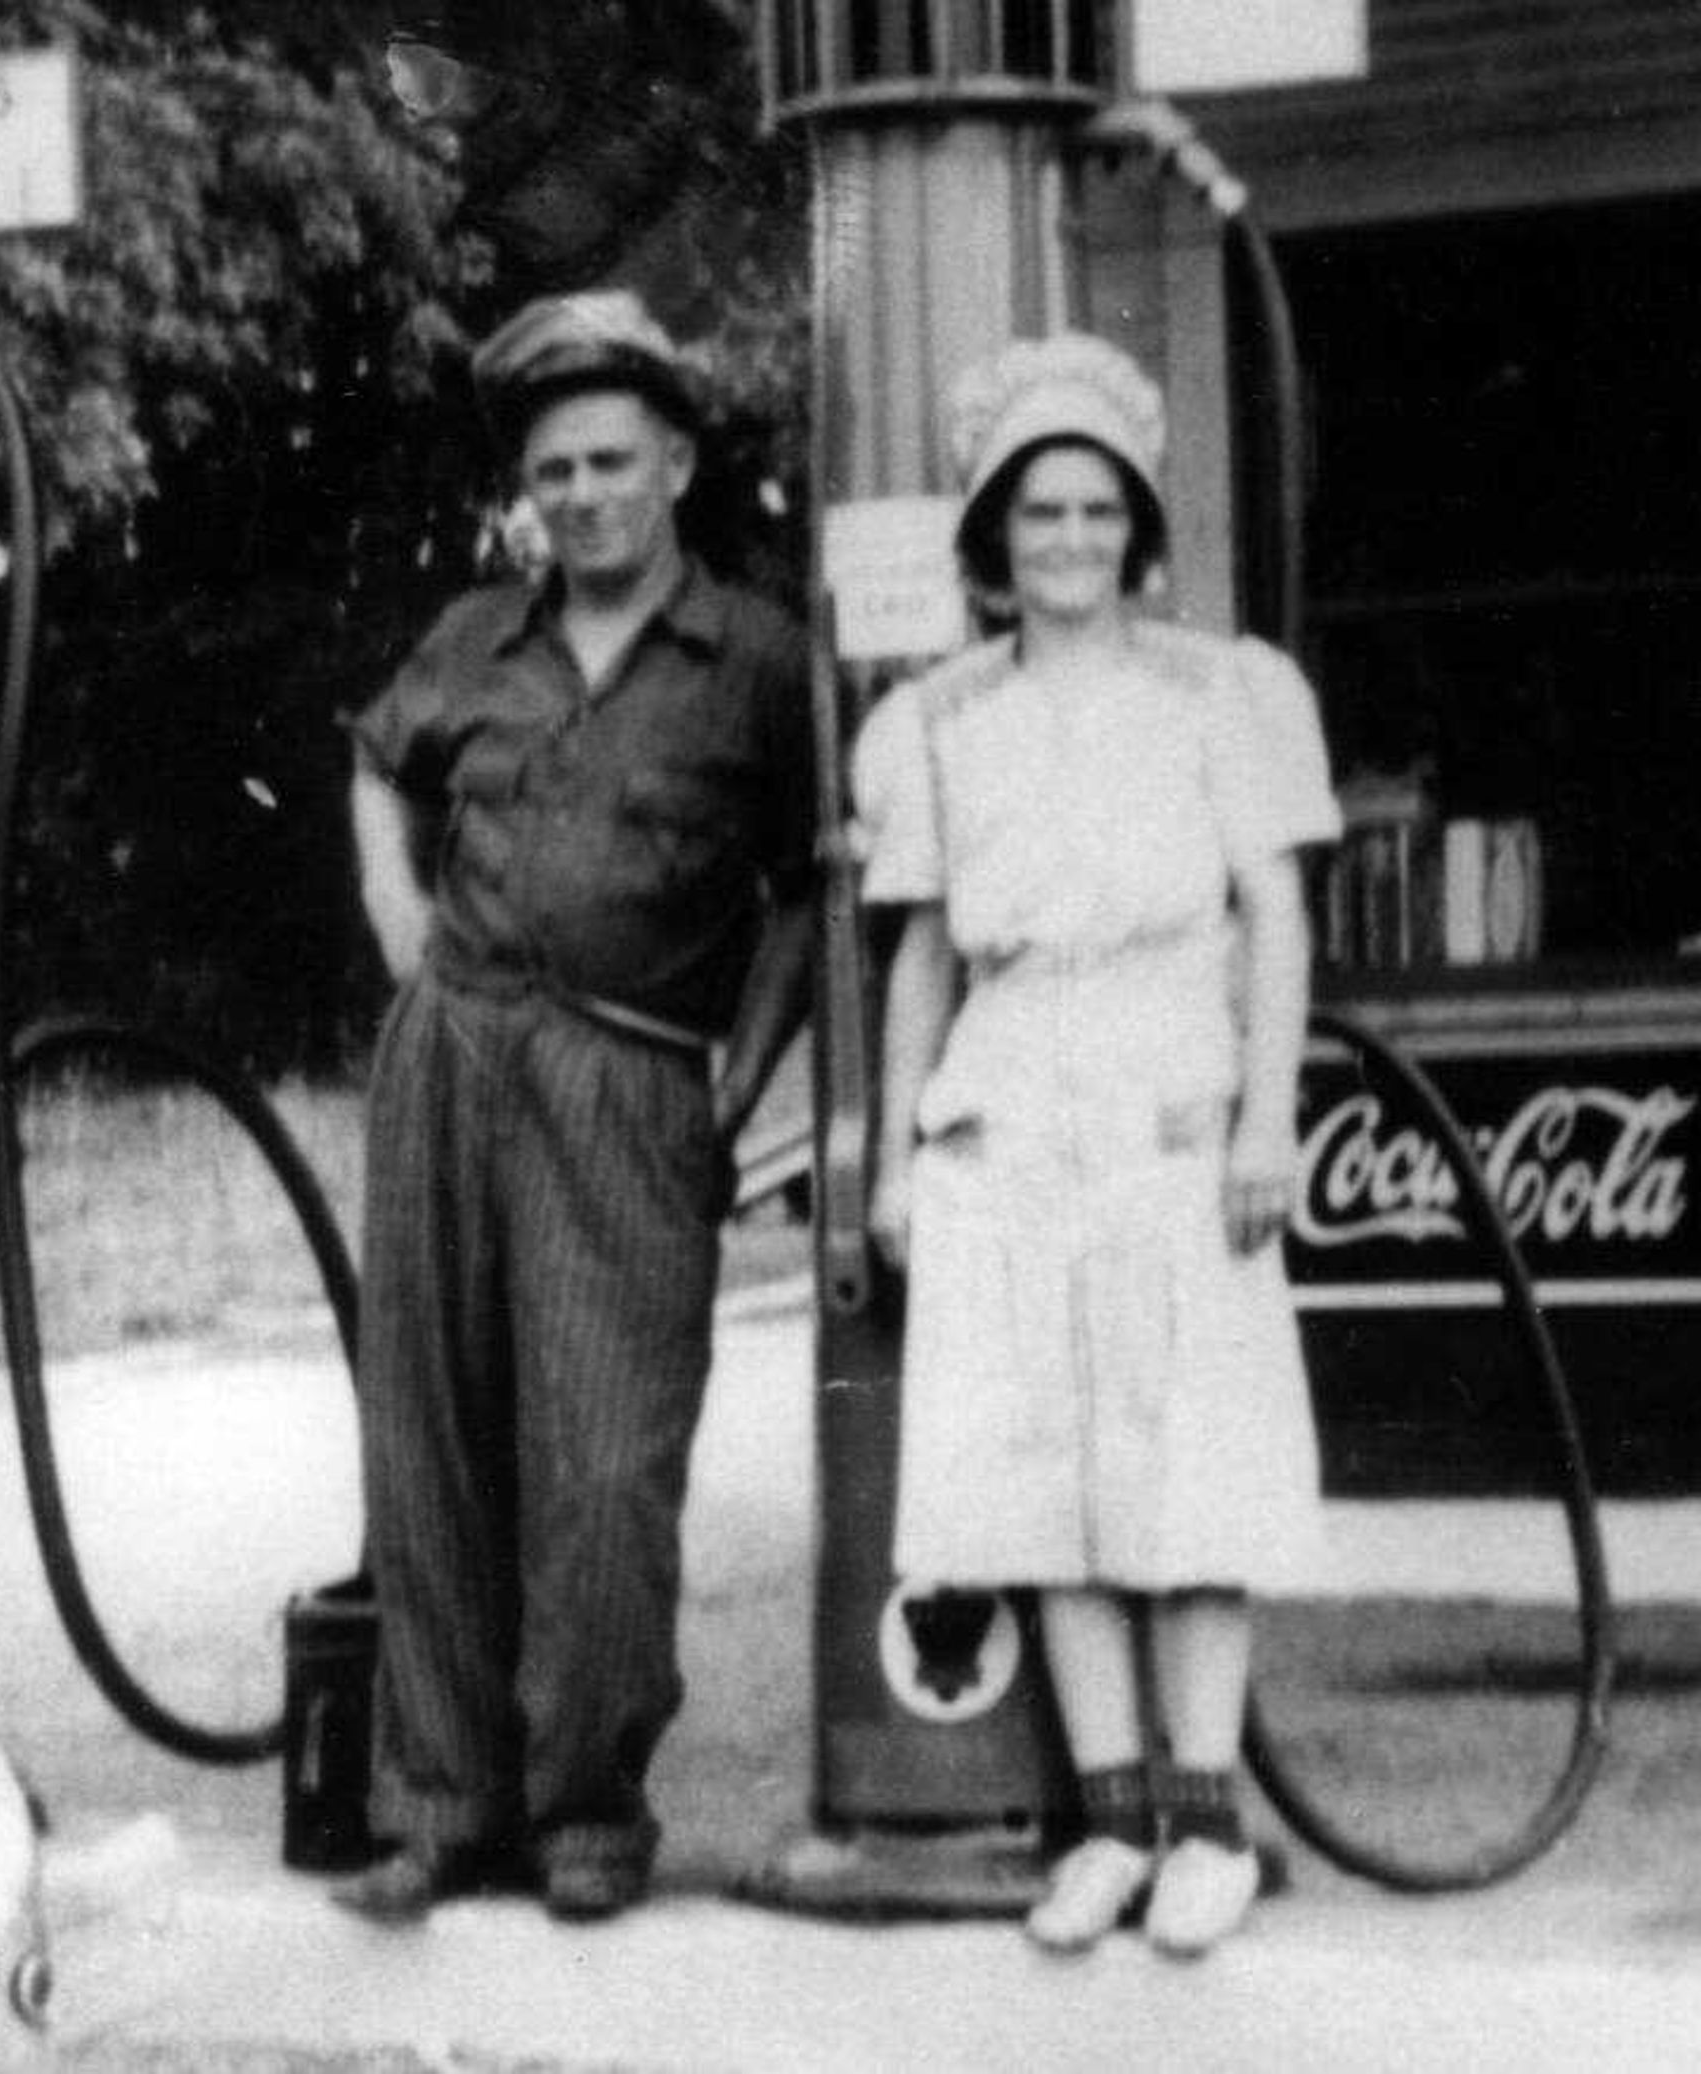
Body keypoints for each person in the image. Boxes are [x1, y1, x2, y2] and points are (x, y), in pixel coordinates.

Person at [854, 333, 1340, 1957]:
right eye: (1036, 512)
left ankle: (1210, 1821)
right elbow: (921, 945)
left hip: (1169, 1093)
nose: (1067, 540)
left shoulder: (1227, 689)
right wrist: (894, 1160)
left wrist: (1271, 1115)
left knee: (1184, 1458)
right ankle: (1114, 1822)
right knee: (1043, 1477)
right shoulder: (936, 719)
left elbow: (1274, 912)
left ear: (1138, 526)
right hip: (1007, 1102)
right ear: (994, 538)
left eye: (1094, 510)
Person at [333, 289, 814, 1924]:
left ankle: (588, 1813)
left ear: (675, 461)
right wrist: (406, 940)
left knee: (605, 1465)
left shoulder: (758, 659)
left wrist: (745, 1062)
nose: (585, 494)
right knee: (433, 1439)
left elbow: (819, 884)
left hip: (628, 1072)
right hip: (453, 1060)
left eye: (613, 460)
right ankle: (439, 1807)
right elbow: (372, 764)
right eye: (556, 471)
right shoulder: (476, 637)